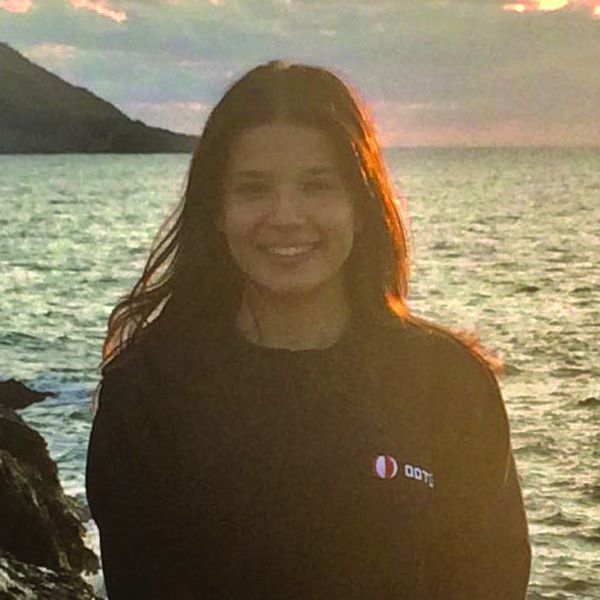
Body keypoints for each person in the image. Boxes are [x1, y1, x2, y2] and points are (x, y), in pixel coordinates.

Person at [86, 61, 531, 599]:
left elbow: (493, 578)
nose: (286, 215)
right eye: (254, 189)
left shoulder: (448, 384)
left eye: (317, 186)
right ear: (216, 211)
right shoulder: (148, 395)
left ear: (361, 204)